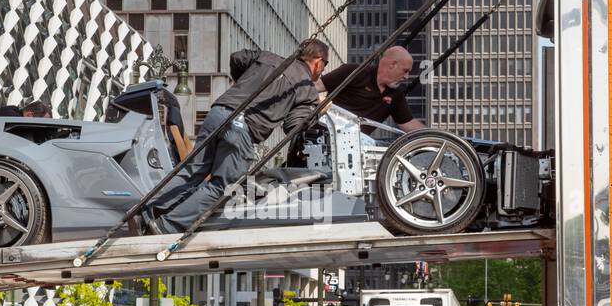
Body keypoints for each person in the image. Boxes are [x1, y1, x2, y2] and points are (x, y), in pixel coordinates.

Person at [147, 39, 329, 233]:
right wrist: (318, 111)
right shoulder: (307, 89)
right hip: (242, 128)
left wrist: (243, 84)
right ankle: (166, 227)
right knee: (223, 188)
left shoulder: (267, 57)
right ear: (318, 61)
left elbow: (237, 58)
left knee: (193, 170)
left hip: (219, 111)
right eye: (324, 66)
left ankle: (146, 211)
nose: (322, 71)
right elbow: (293, 126)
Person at [318, 46, 424, 132]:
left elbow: (408, 124)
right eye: (405, 71)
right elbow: (315, 87)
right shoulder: (353, 72)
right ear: (393, 64)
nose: (406, 77)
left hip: (356, 145)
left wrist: (433, 137)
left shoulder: (396, 94)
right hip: (323, 134)